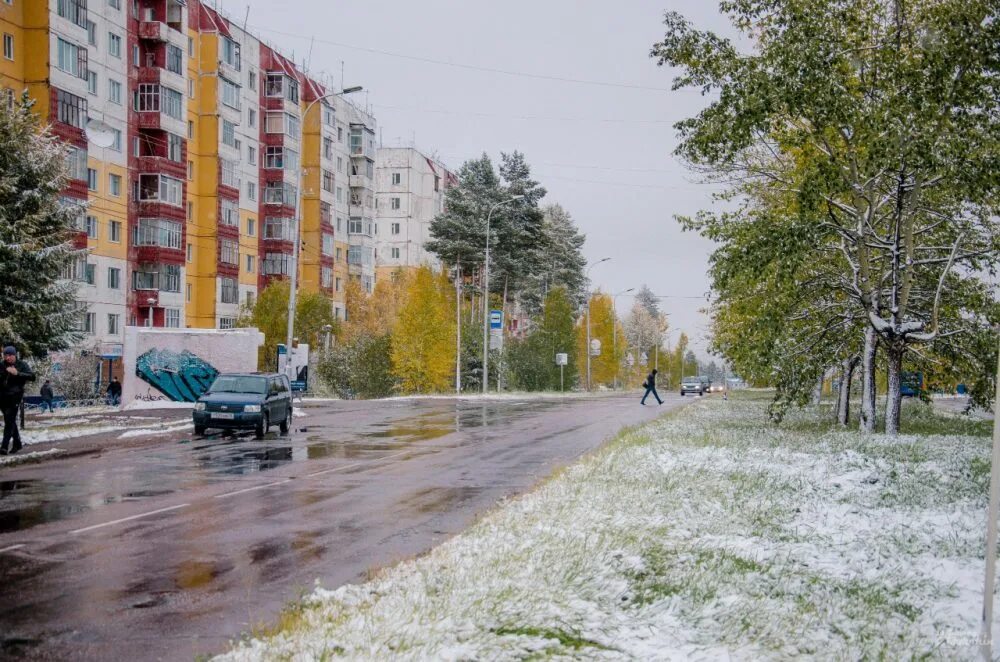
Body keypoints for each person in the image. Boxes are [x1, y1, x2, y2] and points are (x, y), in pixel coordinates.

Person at [1, 346, 35, 455]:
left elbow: (32, 376)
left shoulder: (21, 365)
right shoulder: (1, 365)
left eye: (10, 355)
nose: (8, 358)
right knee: (9, 420)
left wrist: (17, 373)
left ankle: (4, 447)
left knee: (9, 421)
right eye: (6, 355)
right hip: (2, 396)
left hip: (15, 396)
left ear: (15, 355)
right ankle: (17, 443)